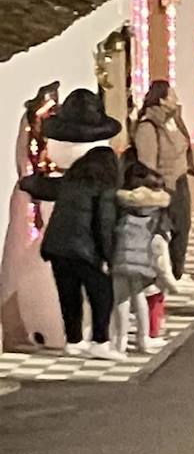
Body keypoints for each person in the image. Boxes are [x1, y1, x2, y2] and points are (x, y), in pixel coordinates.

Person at [19, 146, 121, 359]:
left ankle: (73, 341)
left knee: (68, 295)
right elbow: (104, 224)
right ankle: (100, 341)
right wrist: (109, 256)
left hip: (57, 247)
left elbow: (36, 186)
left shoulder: (70, 182)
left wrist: (28, 178)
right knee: (101, 295)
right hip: (86, 249)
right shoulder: (105, 186)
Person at [134, 80, 194, 285]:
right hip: (163, 184)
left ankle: (177, 270)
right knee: (161, 229)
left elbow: (184, 144)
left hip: (180, 179)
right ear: (161, 100)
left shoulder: (174, 119)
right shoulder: (148, 125)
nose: (175, 98)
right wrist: (155, 188)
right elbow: (147, 162)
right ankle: (160, 274)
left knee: (182, 226)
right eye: (172, 95)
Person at [111, 161, 176, 354]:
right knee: (139, 300)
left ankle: (120, 340)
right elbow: (160, 244)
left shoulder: (121, 206)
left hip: (119, 259)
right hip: (142, 263)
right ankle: (143, 338)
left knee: (120, 300)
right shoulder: (155, 213)